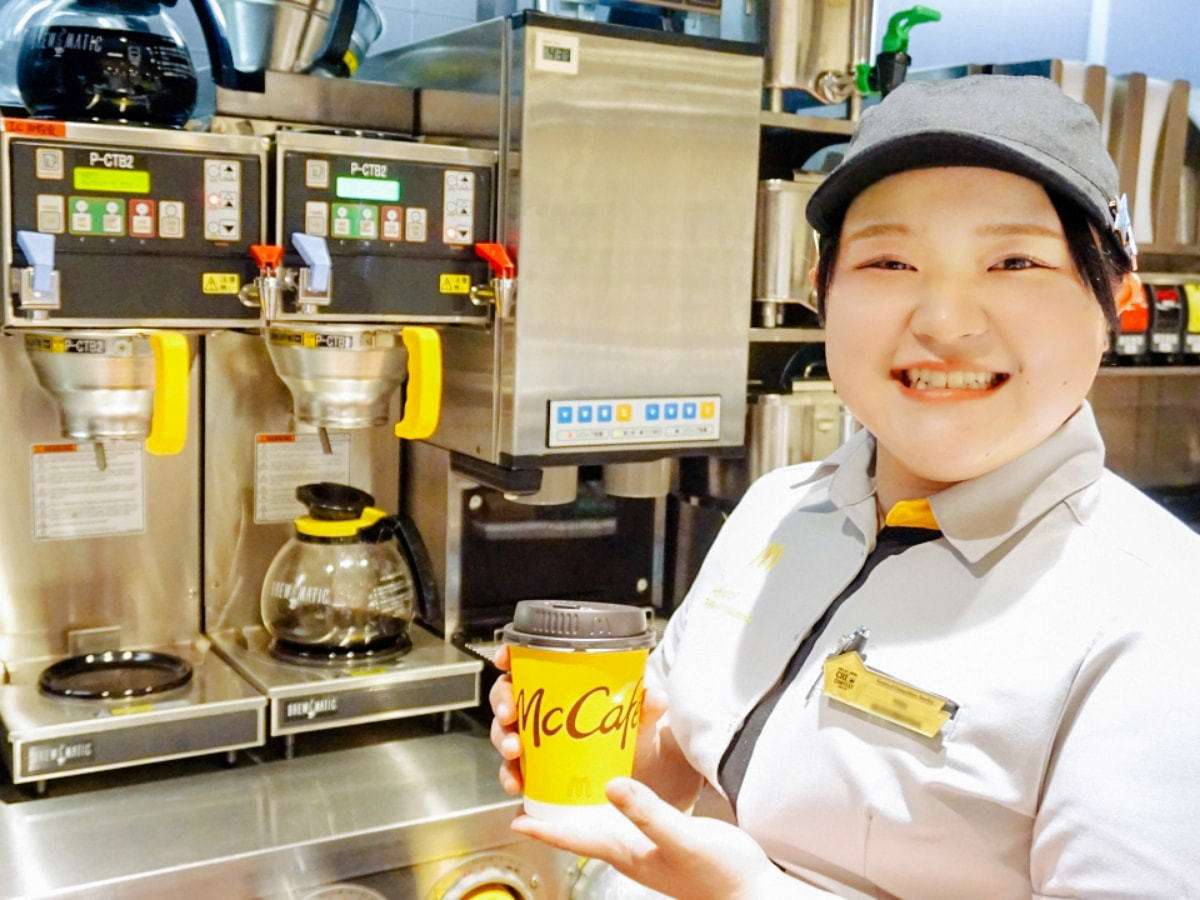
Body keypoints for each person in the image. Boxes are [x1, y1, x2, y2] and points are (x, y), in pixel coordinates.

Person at [489, 75, 1200, 899]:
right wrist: (633, 751)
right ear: (821, 289)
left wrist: (750, 895)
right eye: (889, 261)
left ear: (1117, 299)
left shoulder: (1161, 617)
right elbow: (684, 774)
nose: (944, 321)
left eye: (1015, 262)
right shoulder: (781, 505)